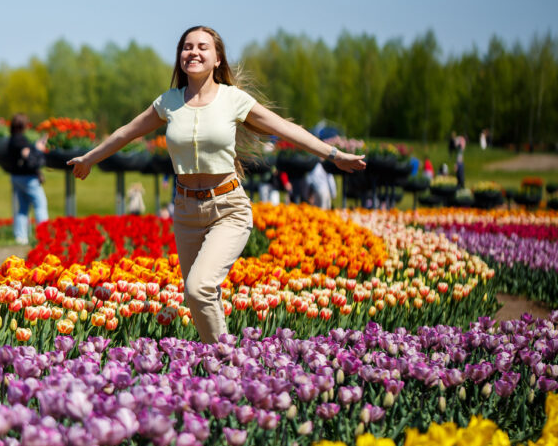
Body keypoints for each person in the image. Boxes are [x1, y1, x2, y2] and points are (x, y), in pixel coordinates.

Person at [69, 26, 366, 343]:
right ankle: (219, 376)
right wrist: (89, 158)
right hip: (185, 212)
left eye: (202, 47)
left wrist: (333, 154)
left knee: (199, 287)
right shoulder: (168, 103)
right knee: (197, 296)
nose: (193, 52)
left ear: (217, 58)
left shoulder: (233, 99)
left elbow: (285, 129)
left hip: (228, 209)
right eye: (186, 47)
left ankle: (225, 362)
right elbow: (127, 132)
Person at [6, 113, 49, 245]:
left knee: (23, 207)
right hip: (28, 178)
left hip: (16, 177)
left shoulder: (12, 139)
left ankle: (20, 237)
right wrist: (38, 148)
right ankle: (44, 235)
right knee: (40, 205)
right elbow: (27, 155)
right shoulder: (21, 140)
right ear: (23, 125)